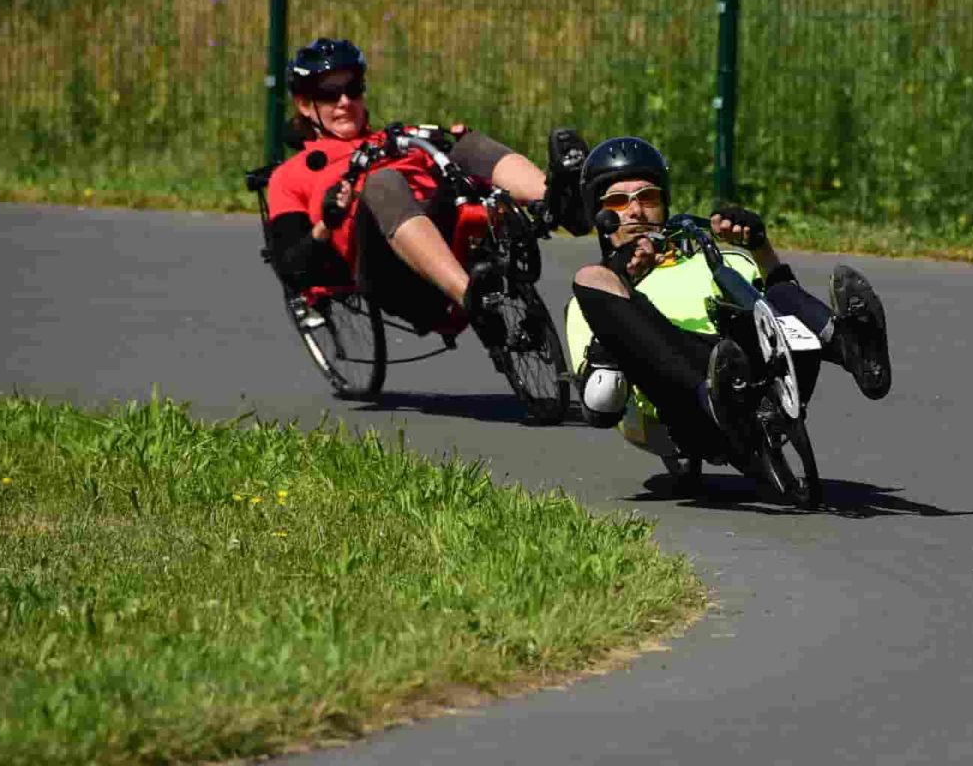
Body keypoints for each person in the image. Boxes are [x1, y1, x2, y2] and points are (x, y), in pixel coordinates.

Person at [564, 136, 891, 469]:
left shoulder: (718, 259)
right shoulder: (596, 296)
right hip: (680, 410)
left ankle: (854, 347)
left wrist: (759, 247)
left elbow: (787, 321)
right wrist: (623, 282)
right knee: (589, 276)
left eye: (647, 197)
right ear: (600, 215)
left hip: (755, 376)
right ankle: (715, 398)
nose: (636, 210)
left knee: (773, 295)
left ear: (665, 202)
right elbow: (602, 404)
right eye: (618, 202)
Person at [265, 37, 587, 342]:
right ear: (306, 105)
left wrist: (453, 145)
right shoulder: (292, 175)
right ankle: (469, 298)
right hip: (392, 270)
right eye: (329, 94)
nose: (345, 102)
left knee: (465, 145)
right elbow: (293, 269)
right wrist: (327, 223)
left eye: (353, 89)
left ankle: (559, 202)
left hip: (442, 223)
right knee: (383, 182)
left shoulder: (394, 138)